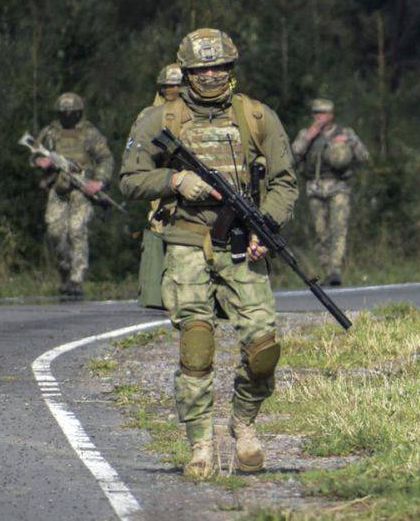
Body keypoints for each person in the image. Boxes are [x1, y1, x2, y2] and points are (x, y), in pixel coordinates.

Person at [119, 28, 298, 479]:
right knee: (196, 348)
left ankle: (244, 425)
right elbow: (130, 179)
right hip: (184, 243)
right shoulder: (160, 119)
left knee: (263, 348)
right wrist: (174, 182)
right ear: (187, 72)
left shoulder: (257, 116)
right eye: (202, 69)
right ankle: (201, 443)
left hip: (242, 243)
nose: (212, 75)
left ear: (232, 68)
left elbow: (284, 183)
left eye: (220, 66)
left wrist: (267, 224)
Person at [31, 92, 115, 298]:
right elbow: (34, 154)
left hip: (81, 190)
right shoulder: (50, 132)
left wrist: (98, 181)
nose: (68, 117)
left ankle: (77, 279)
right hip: (58, 188)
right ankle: (65, 271)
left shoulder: (89, 133)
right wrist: (42, 162)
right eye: (64, 113)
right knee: (54, 231)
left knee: (77, 229)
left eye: (72, 113)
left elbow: (105, 158)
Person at [291, 98, 370, 286]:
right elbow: (293, 156)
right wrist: (308, 136)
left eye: (323, 113)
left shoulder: (345, 133)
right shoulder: (306, 134)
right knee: (321, 232)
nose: (320, 117)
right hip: (315, 189)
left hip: (338, 188)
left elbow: (364, 156)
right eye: (316, 113)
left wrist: (349, 142)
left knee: (339, 229)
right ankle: (327, 269)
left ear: (331, 115)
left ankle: (335, 270)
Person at [133, 63, 185, 310]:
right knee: (159, 227)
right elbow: (139, 149)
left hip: (187, 178)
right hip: (160, 179)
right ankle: (159, 291)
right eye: (169, 87)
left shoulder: (192, 113)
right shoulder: (150, 115)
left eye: (178, 86)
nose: (174, 90)